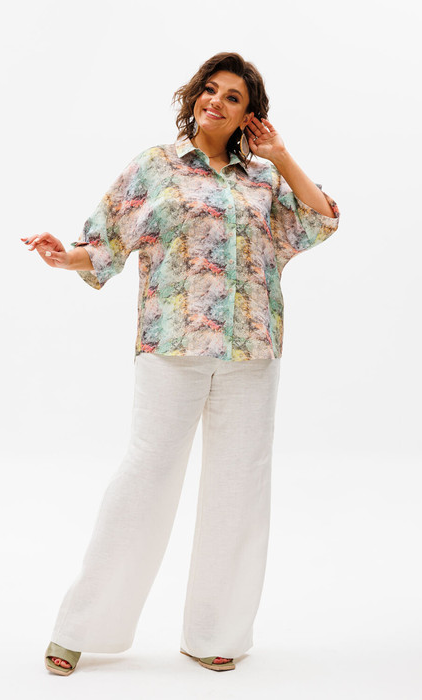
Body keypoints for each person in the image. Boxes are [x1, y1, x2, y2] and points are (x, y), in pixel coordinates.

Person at [21, 51, 340, 675]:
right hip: (171, 346)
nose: (215, 102)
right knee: (145, 479)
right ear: (194, 96)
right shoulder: (155, 167)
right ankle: (81, 627)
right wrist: (64, 257)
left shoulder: (264, 182)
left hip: (251, 350)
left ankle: (216, 632)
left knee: (240, 488)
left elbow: (321, 221)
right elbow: (106, 243)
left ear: (249, 116)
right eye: (209, 90)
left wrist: (280, 156)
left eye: (233, 97)